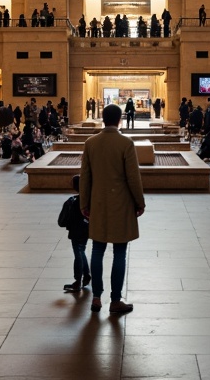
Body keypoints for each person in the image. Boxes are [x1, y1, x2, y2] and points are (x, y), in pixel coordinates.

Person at [79, 104, 145, 315]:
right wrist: (139, 202)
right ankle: (115, 301)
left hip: (98, 203)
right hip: (121, 204)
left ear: (102, 118)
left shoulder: (91, 143)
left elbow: (85, 177)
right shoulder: (126, 143)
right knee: (119, 251)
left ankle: (96, 297)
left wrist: (84, 203)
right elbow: (133, 177)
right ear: (120, 120)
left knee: (97, 249)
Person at [58, 174, 90, 292]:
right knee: (81, 251)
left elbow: (62, 220)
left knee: (78, 253)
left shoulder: (72, 201)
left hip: (75, 231)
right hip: (85, 229)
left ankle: (78, 280)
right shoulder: (87, 200)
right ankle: (86, 275)